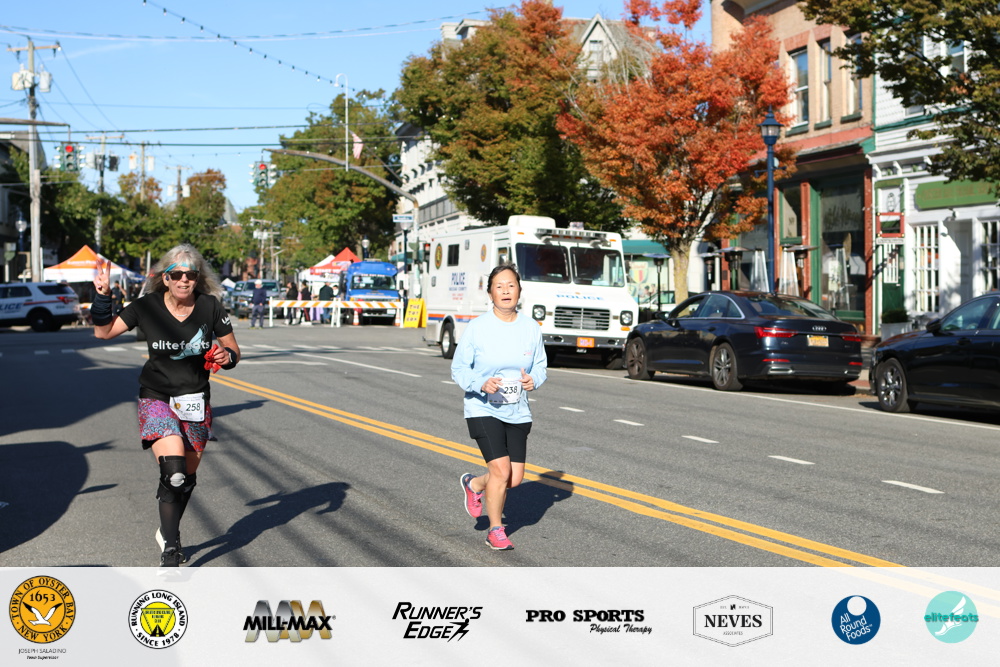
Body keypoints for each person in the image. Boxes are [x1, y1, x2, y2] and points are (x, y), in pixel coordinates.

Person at [91, 243, 240, 567]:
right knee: (173, 473)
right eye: (177, 274)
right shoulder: (146, 306)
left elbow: (233, 352)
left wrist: (224, 356)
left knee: (185, 478)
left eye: (191, 274)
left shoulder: (210, 307)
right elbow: (104, 333)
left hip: (196, 400)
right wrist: (103, 297)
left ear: (198, 278)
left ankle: (166, 530)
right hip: (156, 397)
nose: (184, 280)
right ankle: (171, 548)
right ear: (166, 278)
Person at [451, 264, 547, 551]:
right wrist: (481, 383)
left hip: (517, 410)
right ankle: (496, 530)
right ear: (490, 293)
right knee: (501, 470)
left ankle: (475, 485)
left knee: (513, 479)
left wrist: (533, 379)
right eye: (499, 286)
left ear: (519, 290)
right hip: (482, 408)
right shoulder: (477, 328)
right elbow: (458, 368)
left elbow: (540, 366)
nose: (506, 291)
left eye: (511, 285)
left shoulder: (531, 328)